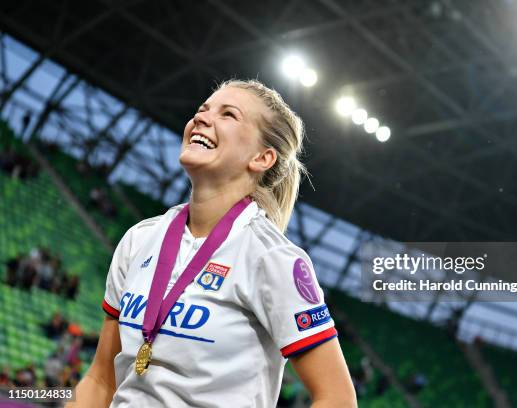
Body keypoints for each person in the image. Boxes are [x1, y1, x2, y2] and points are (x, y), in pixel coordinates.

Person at [69, 79, 356, 407]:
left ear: (262, 158)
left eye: (228, 115)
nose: (202, 118)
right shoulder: (139, 239)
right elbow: (100, 378)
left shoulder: (272, 258)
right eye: (203, 110)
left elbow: (338, 398)